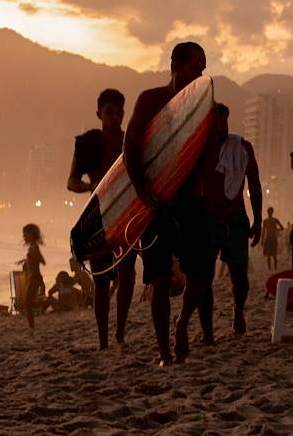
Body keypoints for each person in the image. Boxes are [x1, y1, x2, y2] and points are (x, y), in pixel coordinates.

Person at [123, 41, 209, 365]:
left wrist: (193, 193)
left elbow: (203, 156)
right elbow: (130, 147)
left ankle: (182, 322)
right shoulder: (150, 100)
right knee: (158, 278)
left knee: (200, 275)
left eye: (202, 69)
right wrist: (143, 193)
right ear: (175, 65)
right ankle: (163, 353)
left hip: (189, 199)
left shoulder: (205, 107)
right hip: (155, 201)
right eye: (194, 68)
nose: (199, 74)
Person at [67, 88, 135, 350]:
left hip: (128, 213)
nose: (115, 117)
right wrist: (89, 186)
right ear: (99, 113)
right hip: (98, 218)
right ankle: (103, 340)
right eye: (109, 112)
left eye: (119, 112)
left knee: (127, 272)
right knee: (102, 280)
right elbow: (71, 181)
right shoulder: (88, 143)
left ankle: (119, 333)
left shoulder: (131, 140)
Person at [203, 103, 262, 335]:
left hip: (236, 218)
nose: (222, 127)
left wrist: (257, 220)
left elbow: (254, 185)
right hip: (207, 220)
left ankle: (238, 311)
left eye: (225, 121)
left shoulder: (241, 148)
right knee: (203, 278)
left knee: (239, 276)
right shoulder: (200, 151)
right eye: (217, 122)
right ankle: (208, 331)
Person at [21, 223, 46, 329]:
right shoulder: (32, 247)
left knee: (27, 303)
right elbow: (33, 259)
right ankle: (31, 327)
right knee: (27, 303)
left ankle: (32, 328)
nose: (24, 237)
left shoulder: (34, 247)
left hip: (35, 278)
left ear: (31, 234)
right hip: (33, 277)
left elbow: (42, 261)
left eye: (25, 234)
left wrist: (32, 257)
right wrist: (25, 260)